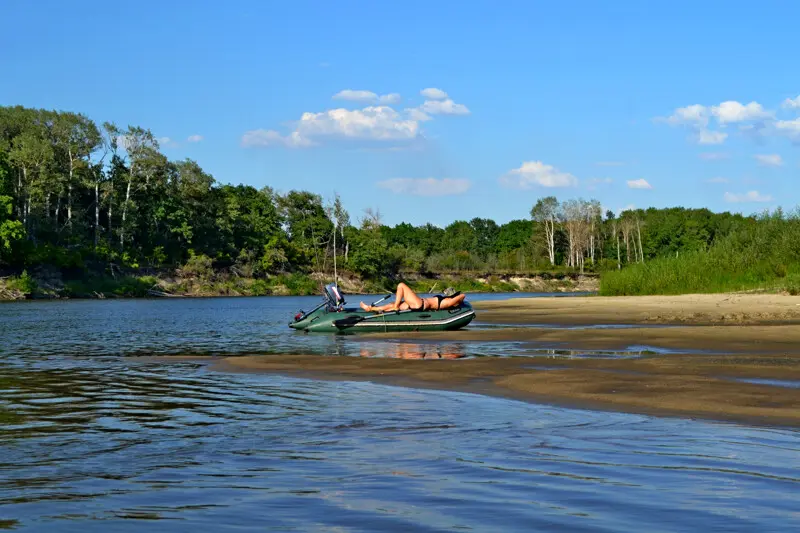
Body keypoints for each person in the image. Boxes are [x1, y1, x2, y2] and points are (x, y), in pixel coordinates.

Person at [359, 283, 466, 313]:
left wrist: (457, 297)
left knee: (401, 285)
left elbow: (463, 295)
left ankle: (396, 307)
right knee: (391, 304)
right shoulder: (446, 300)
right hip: (419, 303)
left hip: (420, 304)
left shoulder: (449, 302)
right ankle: (370, 308)